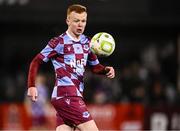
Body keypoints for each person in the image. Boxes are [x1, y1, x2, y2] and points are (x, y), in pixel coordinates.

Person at [27, 4, 115, 131]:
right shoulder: (58, 42)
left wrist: (105, 70)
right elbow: (35, 62)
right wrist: (31, 86)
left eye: (83, 21)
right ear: (68, 20)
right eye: (76, 21)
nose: (80, 24)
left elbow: (95, 67)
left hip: (74, 96)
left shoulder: (88, 43)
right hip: (66, 95)